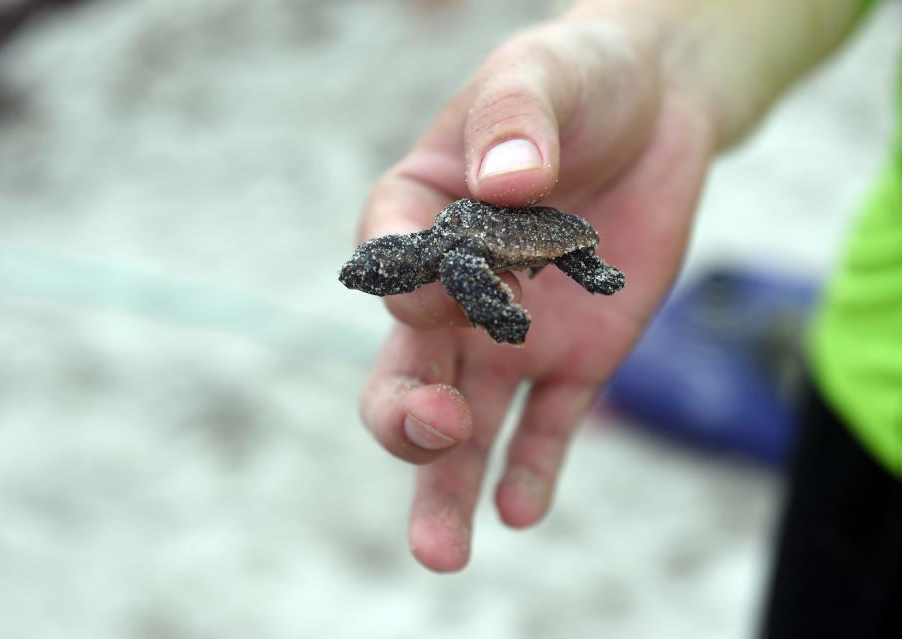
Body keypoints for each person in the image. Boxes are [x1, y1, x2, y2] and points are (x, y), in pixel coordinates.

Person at [356, 0, 900, 634]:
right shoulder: (448, 240)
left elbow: (480, 284)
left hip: (548, 241)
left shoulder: (453, 249)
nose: (370, 280)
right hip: (875, 400)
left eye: (374, 274)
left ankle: (585, 268)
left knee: (557, 267)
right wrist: (652, 47)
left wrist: (501, 314)